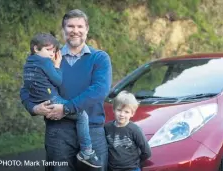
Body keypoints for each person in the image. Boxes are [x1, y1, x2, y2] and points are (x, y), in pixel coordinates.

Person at [20, 9, 112, 171]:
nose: (75, 31)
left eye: (80, 26)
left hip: (92, 131)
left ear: (87, 29)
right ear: (63, 30)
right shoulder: (47, 58)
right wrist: (33, 107)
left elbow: (99, 90)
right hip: (58, 133)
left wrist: (66, 108)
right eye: (70, 26)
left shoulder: (99, 58)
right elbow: (26, 89)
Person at [104, 91, 151, 171]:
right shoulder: (107, 127)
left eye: (126, 112)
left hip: (131, 168)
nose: (122, 114)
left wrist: (136, 163)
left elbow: (146, 152)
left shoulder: (135, 130)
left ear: (132, 113)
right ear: (114, 110)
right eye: (119, 110)